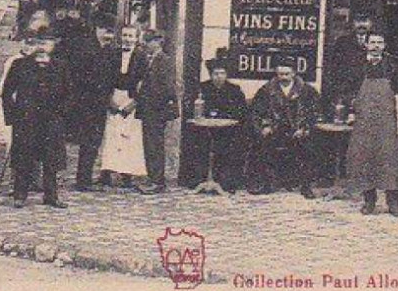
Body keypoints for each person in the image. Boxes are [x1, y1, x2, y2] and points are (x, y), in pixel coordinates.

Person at [345, 31, 398, 216]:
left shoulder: (391, 67)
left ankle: (393, 202)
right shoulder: (357, 66)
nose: (375, 46)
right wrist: (350, 112)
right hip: (363, 120)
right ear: (366, 45)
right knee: (365, 158)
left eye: (379, 42)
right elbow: (348, 91)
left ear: (384, 46)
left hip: (386, 121)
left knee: (389, 160)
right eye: (372, 42)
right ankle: (369, 201)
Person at [0, 37, 68, 208]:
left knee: (51, 159)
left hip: (51, 121)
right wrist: (12, 116)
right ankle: (20, 194)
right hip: (26, 120)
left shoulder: (60, 66)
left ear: (53, 45)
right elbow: (7, 92)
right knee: (24, 156)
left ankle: (51, 195)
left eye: (46, 43)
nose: (42, 47)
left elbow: (70, 94)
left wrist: (61, 114)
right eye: (39, 43)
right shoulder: (20, 65)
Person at [247, 57, 321, 198]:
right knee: (262, 146)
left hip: (297, 129)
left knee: (308, 147)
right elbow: (257, 111)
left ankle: (306, 186)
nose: (283, 77)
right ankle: (266, 183)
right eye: (280, 74)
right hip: (275, 129)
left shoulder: (306, 90)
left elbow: (314, 112)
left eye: (286, 74)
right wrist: (265, 126)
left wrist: (304, 128)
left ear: (293, 73)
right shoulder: (267, 90)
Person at [182, 57, 250, 192]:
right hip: (205, 129)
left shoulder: (234, 90)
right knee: (198, 144)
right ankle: (199, 180)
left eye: (222, 73)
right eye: (215, 74)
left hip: (229, 130)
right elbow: (193, 110)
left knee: (229, 147)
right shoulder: (202, 88)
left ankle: (225, 182)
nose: (219, 77)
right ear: (211, 75)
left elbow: (241, 111)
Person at [320, 12, 373, 182]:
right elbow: (334, 68)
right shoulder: (343, 42)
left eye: (365, 20)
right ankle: (341, 172)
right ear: (353, 23)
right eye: (359, 20)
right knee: (344, 134)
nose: (362, 24)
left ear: (370, 23)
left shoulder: (376, 42)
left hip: (369, 91)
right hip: (346, 92)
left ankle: (363, 174)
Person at [58, 18, 109, 190]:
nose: (107, 34)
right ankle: (83, 180)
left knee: (89, 143)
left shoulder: (97, 47)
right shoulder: (90, 49)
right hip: (89, 104)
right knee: (90, 142)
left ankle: (83, 178)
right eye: (105, 30)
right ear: (97, 29)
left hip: (90, 103)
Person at [97, 26, 149, 188]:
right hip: (114, 95)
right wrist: (109, 100)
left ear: (136, 38)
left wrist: (134, 102)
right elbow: (104, 78)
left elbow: (145, 82)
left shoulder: (141, 57)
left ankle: (127, 173)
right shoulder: (113, 54)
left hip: (131, 97)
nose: (127, 38)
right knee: (111, 135)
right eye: (125, 35)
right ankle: (106, 172)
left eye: (131, 36)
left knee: (129, 135)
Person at [136, 30, 176, 193]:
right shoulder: (150, 60)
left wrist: (148, 97)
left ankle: (157, 181)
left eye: (149, 41)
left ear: (158, 42)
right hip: (149, 109)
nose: (146, 44)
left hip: (156, 110)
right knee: (150, 145)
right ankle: (153, 178)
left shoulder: (163, 60)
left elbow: (166, 88)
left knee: (154, 146)